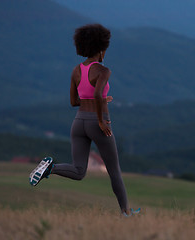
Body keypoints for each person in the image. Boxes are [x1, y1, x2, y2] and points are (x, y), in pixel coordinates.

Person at [29, 23, 139, 217]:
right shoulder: (103, 71)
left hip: (78, 122)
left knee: (79, 171)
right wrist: (101, 120)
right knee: (114, 171)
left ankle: (50, 168)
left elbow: (74, 101)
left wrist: (101, 100)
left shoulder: (76, 70)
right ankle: (126, 213)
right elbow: (96, 95)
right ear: (101, 49)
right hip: (98, 123)